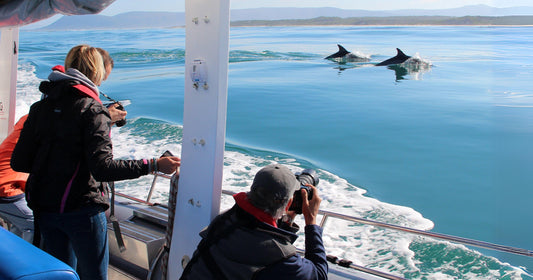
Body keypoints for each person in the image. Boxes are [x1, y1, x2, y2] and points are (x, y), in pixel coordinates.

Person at [11, 44, 181, 280]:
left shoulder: (40, 108)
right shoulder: (93, 111)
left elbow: (20, 162)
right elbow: (103, 169)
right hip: (81, 211)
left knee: (60, 275)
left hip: (44, 207)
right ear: (96, 71)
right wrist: (154, 164)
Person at [180, 164, 328, 280]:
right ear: (288, 204)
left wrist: (288, 218)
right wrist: (312, 222)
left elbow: (259, 233)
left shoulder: (223, 222)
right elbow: (319, 274)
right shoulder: (280, 259)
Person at [0, 114, 33, 243]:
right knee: (33, 222)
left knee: (19, 222)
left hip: (8, 184)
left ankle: (12, 256)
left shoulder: (21, 128)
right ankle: (29, 260)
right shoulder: (37, 131)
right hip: (5, 188)